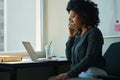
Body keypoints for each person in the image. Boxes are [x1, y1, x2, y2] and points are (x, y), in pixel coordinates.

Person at [49, 0, 107, 80]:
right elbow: (69, 58)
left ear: (83, 15)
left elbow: (89, 59)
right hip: (81, 73)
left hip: (94, 73)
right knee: (52, 78)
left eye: (73, 16)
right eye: (70, 18)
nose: (71, 21)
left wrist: (69, 74)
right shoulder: (78, 34)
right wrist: (71, 37)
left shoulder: (94, 32)